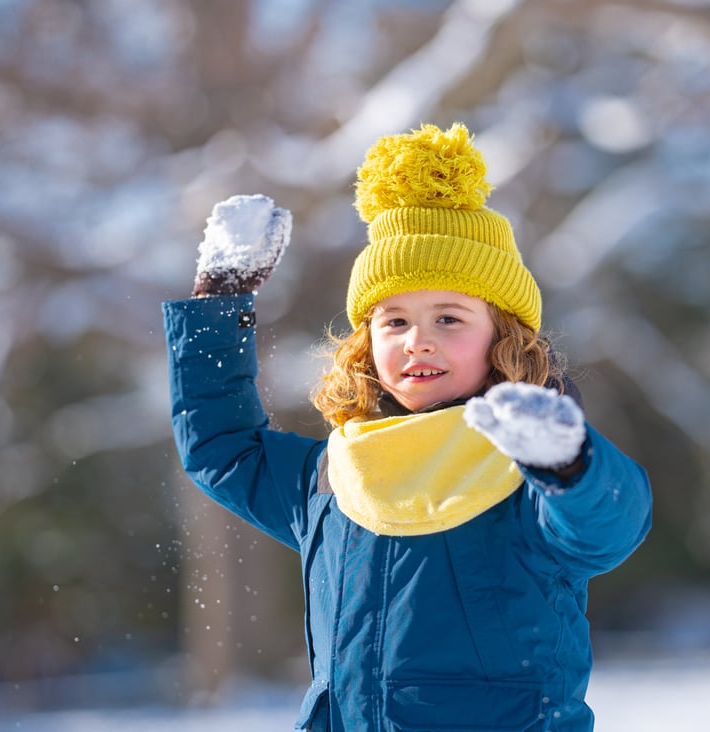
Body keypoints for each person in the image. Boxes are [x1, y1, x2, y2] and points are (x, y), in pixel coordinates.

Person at [163, 123, 652, 731]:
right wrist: (218, 305)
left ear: (504, 335)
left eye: (449, 317)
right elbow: (223, 449)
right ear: (366, 342)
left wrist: (568, 463)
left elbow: (609, 524)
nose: (418, 340)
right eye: (393, 321)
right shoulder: (331, 478)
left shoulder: (525, 470)